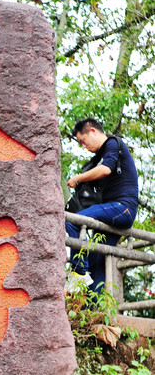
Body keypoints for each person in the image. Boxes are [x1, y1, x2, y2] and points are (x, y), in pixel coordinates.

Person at [65, 117, 138, 295]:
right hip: (111, 212)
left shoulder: (113, 143)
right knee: (97, 264)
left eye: (83, 141)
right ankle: (91, 313)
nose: (84, 146)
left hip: (122, 208)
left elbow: (106, 169)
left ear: (92, 131)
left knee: (74, 221)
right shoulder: (98, 157)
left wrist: (77, 178)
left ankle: (78, 272)